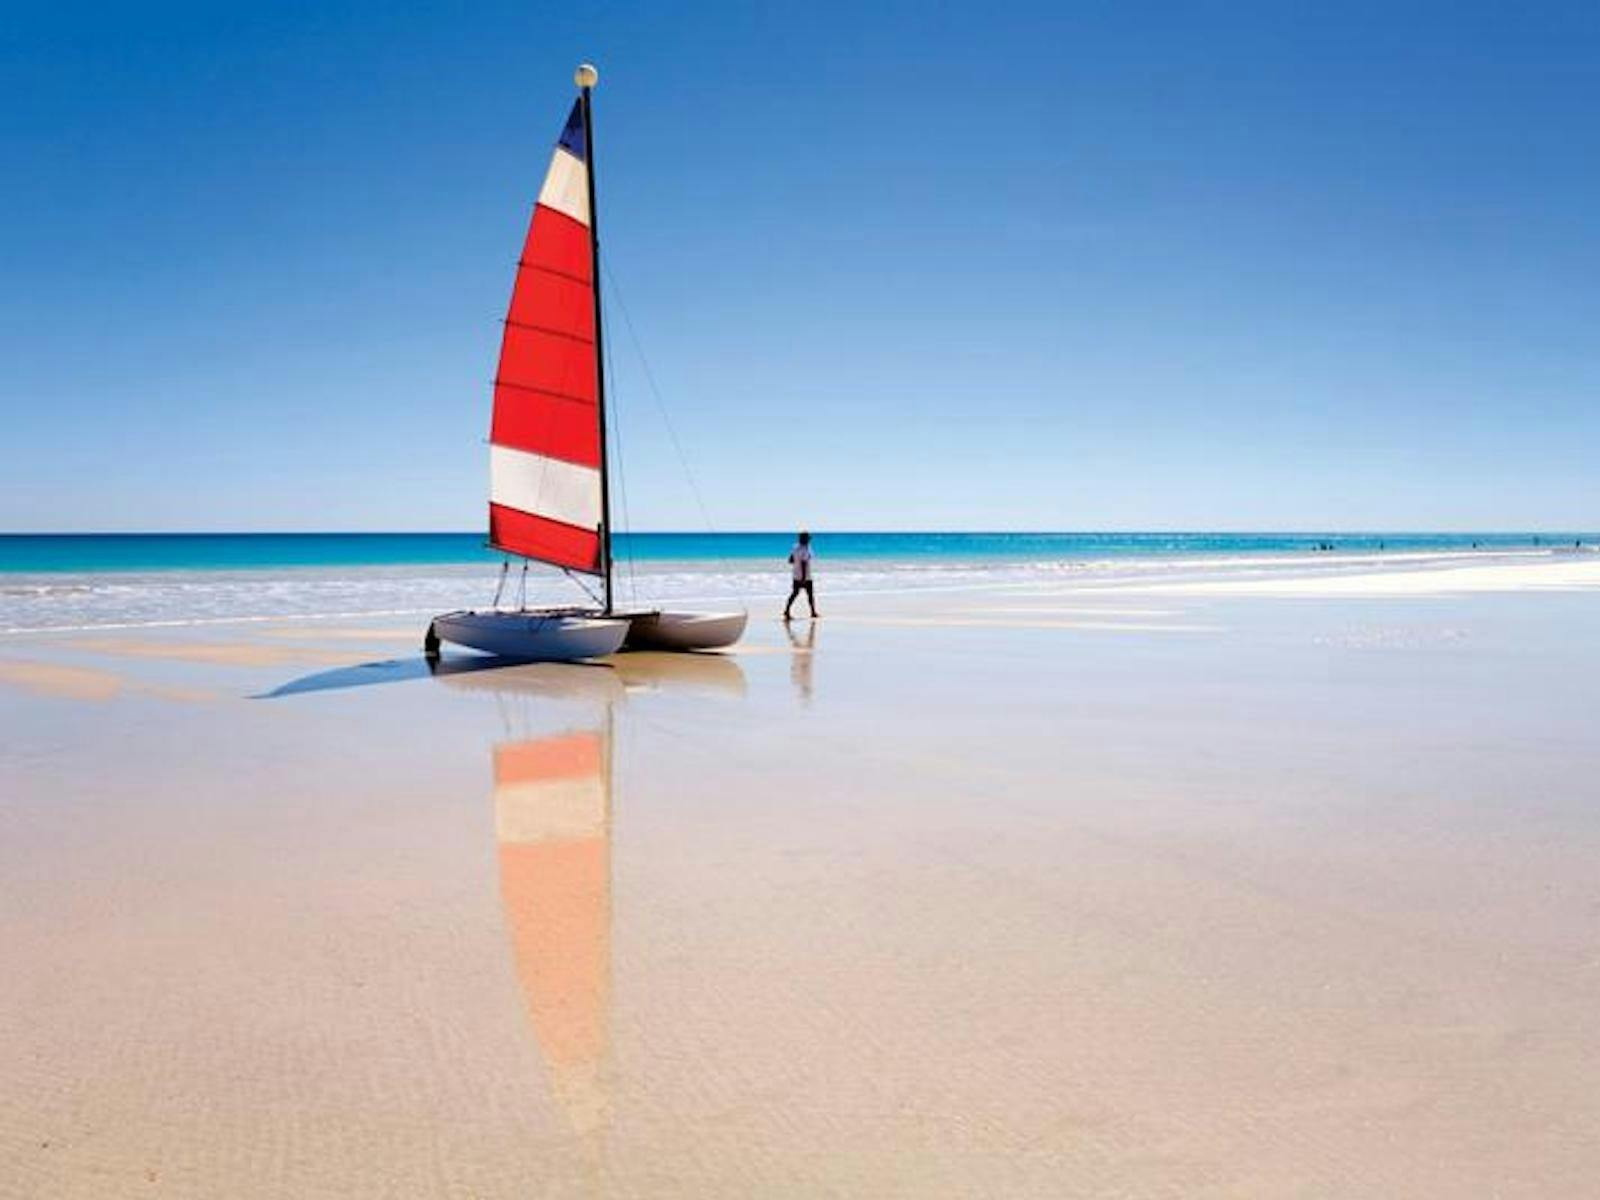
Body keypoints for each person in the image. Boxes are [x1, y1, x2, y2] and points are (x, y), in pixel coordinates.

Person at [783, 530, 818, 620]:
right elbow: (804, 563)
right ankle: (813, 612)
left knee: (795, 593)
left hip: (795, 575)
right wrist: (803, 578)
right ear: (805, 539)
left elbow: (790, 560)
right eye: (808, 538)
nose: (809, 540)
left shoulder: (795, 548)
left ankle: (787, 611)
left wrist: (796, 563)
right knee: (810, 594)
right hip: (805, 576)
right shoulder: (805, 549)